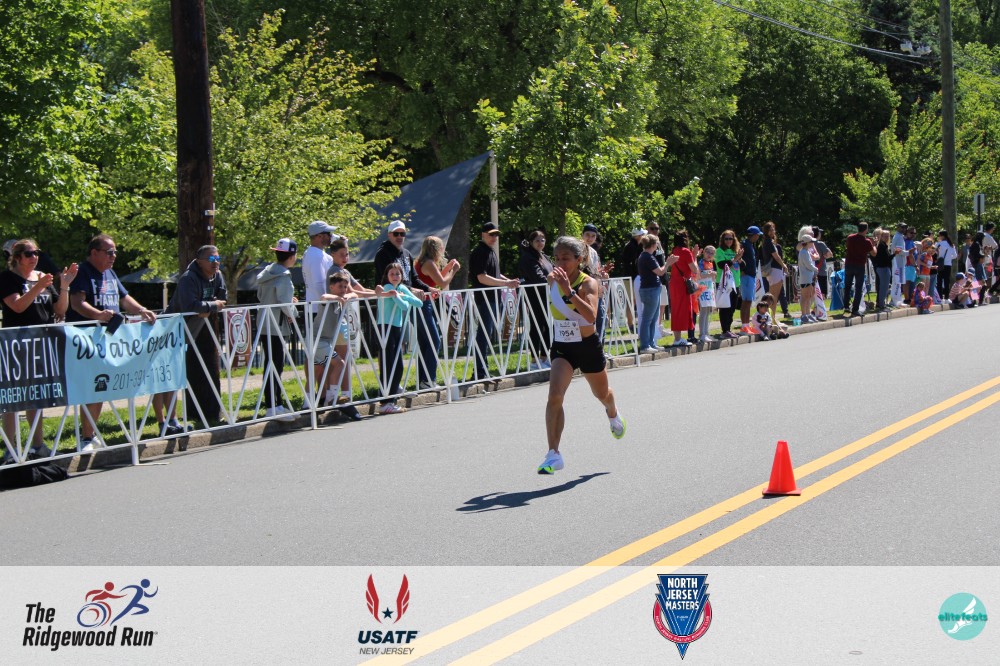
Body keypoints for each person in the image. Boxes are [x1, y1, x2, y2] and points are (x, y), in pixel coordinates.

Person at [537, 236, 625, 475]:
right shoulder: (552, 279)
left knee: (602, 394)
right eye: (557, 258)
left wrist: (569, 291)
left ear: (579, 259)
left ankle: (612, 412)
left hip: (587, 346)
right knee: (555, 396)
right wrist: (560, 286)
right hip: (563, 346)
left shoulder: (589, 284)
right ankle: (553, 454)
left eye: (565, 258)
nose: (560, 263)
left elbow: (590, 316)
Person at [67, 234, 156, 452]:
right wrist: (98, 315)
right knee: (92, 387)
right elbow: (77, 303)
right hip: (86, 340)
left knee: (102, 386)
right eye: (109, 252)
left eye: (115, 252)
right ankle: (86, 438)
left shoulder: (110, 273)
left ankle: (91, 434)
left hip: (109, 339)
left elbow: (124, 299)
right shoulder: (83, 272)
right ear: (94, 252)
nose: (113, 256)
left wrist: (142, 310)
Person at [0, 240, 77, 459]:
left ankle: (38, 445)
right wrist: (38, 286)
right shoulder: (7, 278)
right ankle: (11, 449)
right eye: (29, 253)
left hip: (42, 343)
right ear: (17, 257)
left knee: (36, 395)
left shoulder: (42, 277)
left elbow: (60, 310)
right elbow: (17, 306)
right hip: (16, 344)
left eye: (37, 253)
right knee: (14, 398)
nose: (34, 257)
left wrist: (64, 285)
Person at [161, 244, 227, 431]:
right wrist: (210, 306)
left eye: (218, 259)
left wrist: (206, 307)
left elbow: (223, 299)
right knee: (168, 376)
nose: (216, 263)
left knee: (179, 375)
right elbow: (190, 305)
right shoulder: (188, 278)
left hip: (193, 333)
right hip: (172, 331)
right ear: (199, 262)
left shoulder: (218, 276)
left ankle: (174, 420)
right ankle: (165, 421)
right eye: (212, 259)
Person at [373, 220, 439, 382]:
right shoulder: (383, 254)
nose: (399, 237)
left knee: (420, 341)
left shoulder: (407, 254)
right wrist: (411, 290)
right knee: (390, 348)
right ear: (389, 235)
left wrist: (428, 289)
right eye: (396, 233)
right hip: (390, 305)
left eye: (402, 233)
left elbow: (414, 279)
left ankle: (421, 380)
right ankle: (388, 386)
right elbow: (386, 280)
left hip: (406, 301)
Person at [254, 239, 299, 422]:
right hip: (276, 325)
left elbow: (261, 296)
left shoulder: (267, 273)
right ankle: (273, 407)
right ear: (292, 256)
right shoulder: (284, 277)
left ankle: (276, 404)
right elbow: (285, 303)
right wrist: (294, 313)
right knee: (275, 365)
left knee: (271, 364)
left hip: (264, 323)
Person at [469, 222, 519, 380]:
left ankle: (482, 370)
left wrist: (509, 281)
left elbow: (495, 274)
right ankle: (480, 371)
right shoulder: (479, 252)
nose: (494, 237)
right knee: (483, 334)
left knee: (487, 333)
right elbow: (482, 277)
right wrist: (505, 283)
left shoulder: (490, 251)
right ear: (483, 235)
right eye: (491, 234)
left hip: (493, 297)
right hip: (485, 298)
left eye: (496, 234)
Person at [313, 273, 362, 421]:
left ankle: (329, 397)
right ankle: (328, 398)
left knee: (334, 365)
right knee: (336, 365)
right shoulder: (329, 300)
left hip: (327, 341)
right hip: (318, 340)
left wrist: (347, 295)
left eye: (345, 287)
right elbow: (323, 297)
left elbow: (355, 295)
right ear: (331, 287)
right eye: (340, 286)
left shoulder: (342, 299)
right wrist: (337, 298)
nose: (343, 290)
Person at [376, 262, 423, 414]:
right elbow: (404, 306)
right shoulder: (387, 287)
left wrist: (402, 295)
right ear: (387, 276)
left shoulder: (401, 288)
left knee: (398, 364)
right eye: (392, 274)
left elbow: (419, 303)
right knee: (388, 363)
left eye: (398, 274)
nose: (395, 276)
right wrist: (399, 296)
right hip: (385, 326)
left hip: (396, 327)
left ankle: (392, 396)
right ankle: (385, 401)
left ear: (402, 276)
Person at [415, 236, 459, 388]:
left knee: (425, 342)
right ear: (436, 249)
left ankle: (423, 380)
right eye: (441, 248)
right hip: (424, 305)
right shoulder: (429, 263)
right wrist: (453, 271)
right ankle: (428, 379)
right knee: (434, 340)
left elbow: (435, 280)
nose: (442, 251)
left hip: (422, 304)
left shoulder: (422, 262)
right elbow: (442, 283)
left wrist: (448, 267)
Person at [517, 230, 553, 370]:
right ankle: (534, 359)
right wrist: (552, 281)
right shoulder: (528, 257)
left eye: (542, 240)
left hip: (547, 296)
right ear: (531, 242)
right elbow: (538, 277)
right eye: (537, 240)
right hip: (534, 296)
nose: (540, 243)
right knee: (537, 326)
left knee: (548, 326)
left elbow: (553, 271)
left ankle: (544, 356)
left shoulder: (544, 256)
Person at [637, 233, 673, 352]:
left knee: (653, 319)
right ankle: (645, 346)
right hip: (650, 290)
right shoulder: (648, 257)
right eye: (657, 244)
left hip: (652, 289)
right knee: (647, 319)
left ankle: (651, 343)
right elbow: (660, 272)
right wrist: (668, 263)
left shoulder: (646, 256)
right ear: (653, 245)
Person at [582, 223, 611, 344]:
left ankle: (600, 348)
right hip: (584, 290)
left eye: (593, 236)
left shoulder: (593, 251)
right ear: (582, 235)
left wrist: (602, 274)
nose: (590, 238)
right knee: (588, 321)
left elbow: (595, 271)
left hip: (596, 289)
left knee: (601, 320)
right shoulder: (578, 250)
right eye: (587, 235)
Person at [668, 229, 698, 347]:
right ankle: (678, 339)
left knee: (676, 310)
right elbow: (694, 269)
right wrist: (694, 256)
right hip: (683, 284)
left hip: (674, 283)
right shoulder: (686, 251)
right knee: (682, 309)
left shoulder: (674, 251)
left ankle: (678, 338)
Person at [302, 220, 337, 313]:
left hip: (316, 308)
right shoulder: (316, 256)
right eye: (328, 234)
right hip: (320, 310)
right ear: (320, 236)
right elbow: (319, 283)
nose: (331, 236)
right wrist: (326, 305)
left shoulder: (312, 252)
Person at [843, 222, 876, 317]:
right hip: (859, 266)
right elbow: (874, 253)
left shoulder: (850, 237)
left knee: (847, 286)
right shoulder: (867, 241)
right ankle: (855, 309)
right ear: (866, 230)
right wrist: (874, 244)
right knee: (858, 288)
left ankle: (846, 306)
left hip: (849, 264)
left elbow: (847, 246)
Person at [715, 230, 742, 339]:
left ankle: (728, 329)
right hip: (724, 283)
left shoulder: (735, 251)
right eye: (726, 239)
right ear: (722, 240)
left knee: (732, 307)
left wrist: (740, 260)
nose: (728, 241)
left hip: (735, 283)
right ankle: (725, 330)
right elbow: (722, 265)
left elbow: (742, 265)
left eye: (730, 238)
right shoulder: (719, 251)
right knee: (725, 307)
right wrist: (735, 258)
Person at [761, 222, 788, 321]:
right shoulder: (768, 241)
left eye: (773, 229)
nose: (772, 231)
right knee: (772, 297)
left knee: (773, 297)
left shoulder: (769, 241)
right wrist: (783, 265)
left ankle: (772, 318)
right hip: (774, 269)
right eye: (770, 230)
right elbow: (776, 256)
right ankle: (770, 318)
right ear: (766, 231)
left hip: (775, 270)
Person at [738, 226, 762, 333]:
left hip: (751, 275)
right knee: (746, 301)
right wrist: (742, 270)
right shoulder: (744, 244)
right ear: (753, 235)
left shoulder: (750, 245)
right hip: (746, 275)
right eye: (757, 235)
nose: (758, 237)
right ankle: (744, 326)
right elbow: (738, 256)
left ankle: (747, 324)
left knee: (749, 301)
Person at [697, 245, 717, 343]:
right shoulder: (701, 263)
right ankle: (702, 334)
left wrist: (713, 275)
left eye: (712, 253)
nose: (709, 255)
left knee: (708, 311)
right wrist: (710, 274)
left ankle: (706, 332)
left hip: (709, 290)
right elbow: (699, 275)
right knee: (703, 312)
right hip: (702, 290)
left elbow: (712, 277)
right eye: (708, 252)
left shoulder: (711, 264)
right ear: (704, 252)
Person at [797, 233, 818, 323]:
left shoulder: (806, 251)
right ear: (806, 243)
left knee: (809, 296)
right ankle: (804, 315)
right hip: (805, 277)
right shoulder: (803, 252)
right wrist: (816, 269)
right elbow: (808, 265)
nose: (812, 243)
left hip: (809, 276)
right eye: (811, 242)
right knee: (805, 296)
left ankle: (808, 314)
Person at [873, 229, 893, 310]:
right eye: (885, 236)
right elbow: (886, 258)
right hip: (882, 268)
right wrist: (894, 254)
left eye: (888, 236)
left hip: (884, 267)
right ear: (881, 236)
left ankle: (882, 303)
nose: (887, 238)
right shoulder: (881, 245)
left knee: (885, 287)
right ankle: (881, 304)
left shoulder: (884, 245)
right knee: (883, 287)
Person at [811, 227, 834, 298]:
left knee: (812, 292)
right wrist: (825, 256)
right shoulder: (820, 244)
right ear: (818, 234)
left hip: (810, 271)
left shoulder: (808, 244)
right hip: (821, 271)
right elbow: (830, 254)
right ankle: (820, 304)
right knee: (822, 293)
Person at [935, 230, 957, 300]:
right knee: (947, 281)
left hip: (940, 264)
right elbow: (955, 256)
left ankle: (940, 297)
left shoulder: (938, 244)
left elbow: (935, 252)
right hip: (948, 264)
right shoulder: (951, 245)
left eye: (939, 235)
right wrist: (949, 258)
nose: (939, 237)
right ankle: (947, 297)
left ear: (942, 236)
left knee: (939, 281)